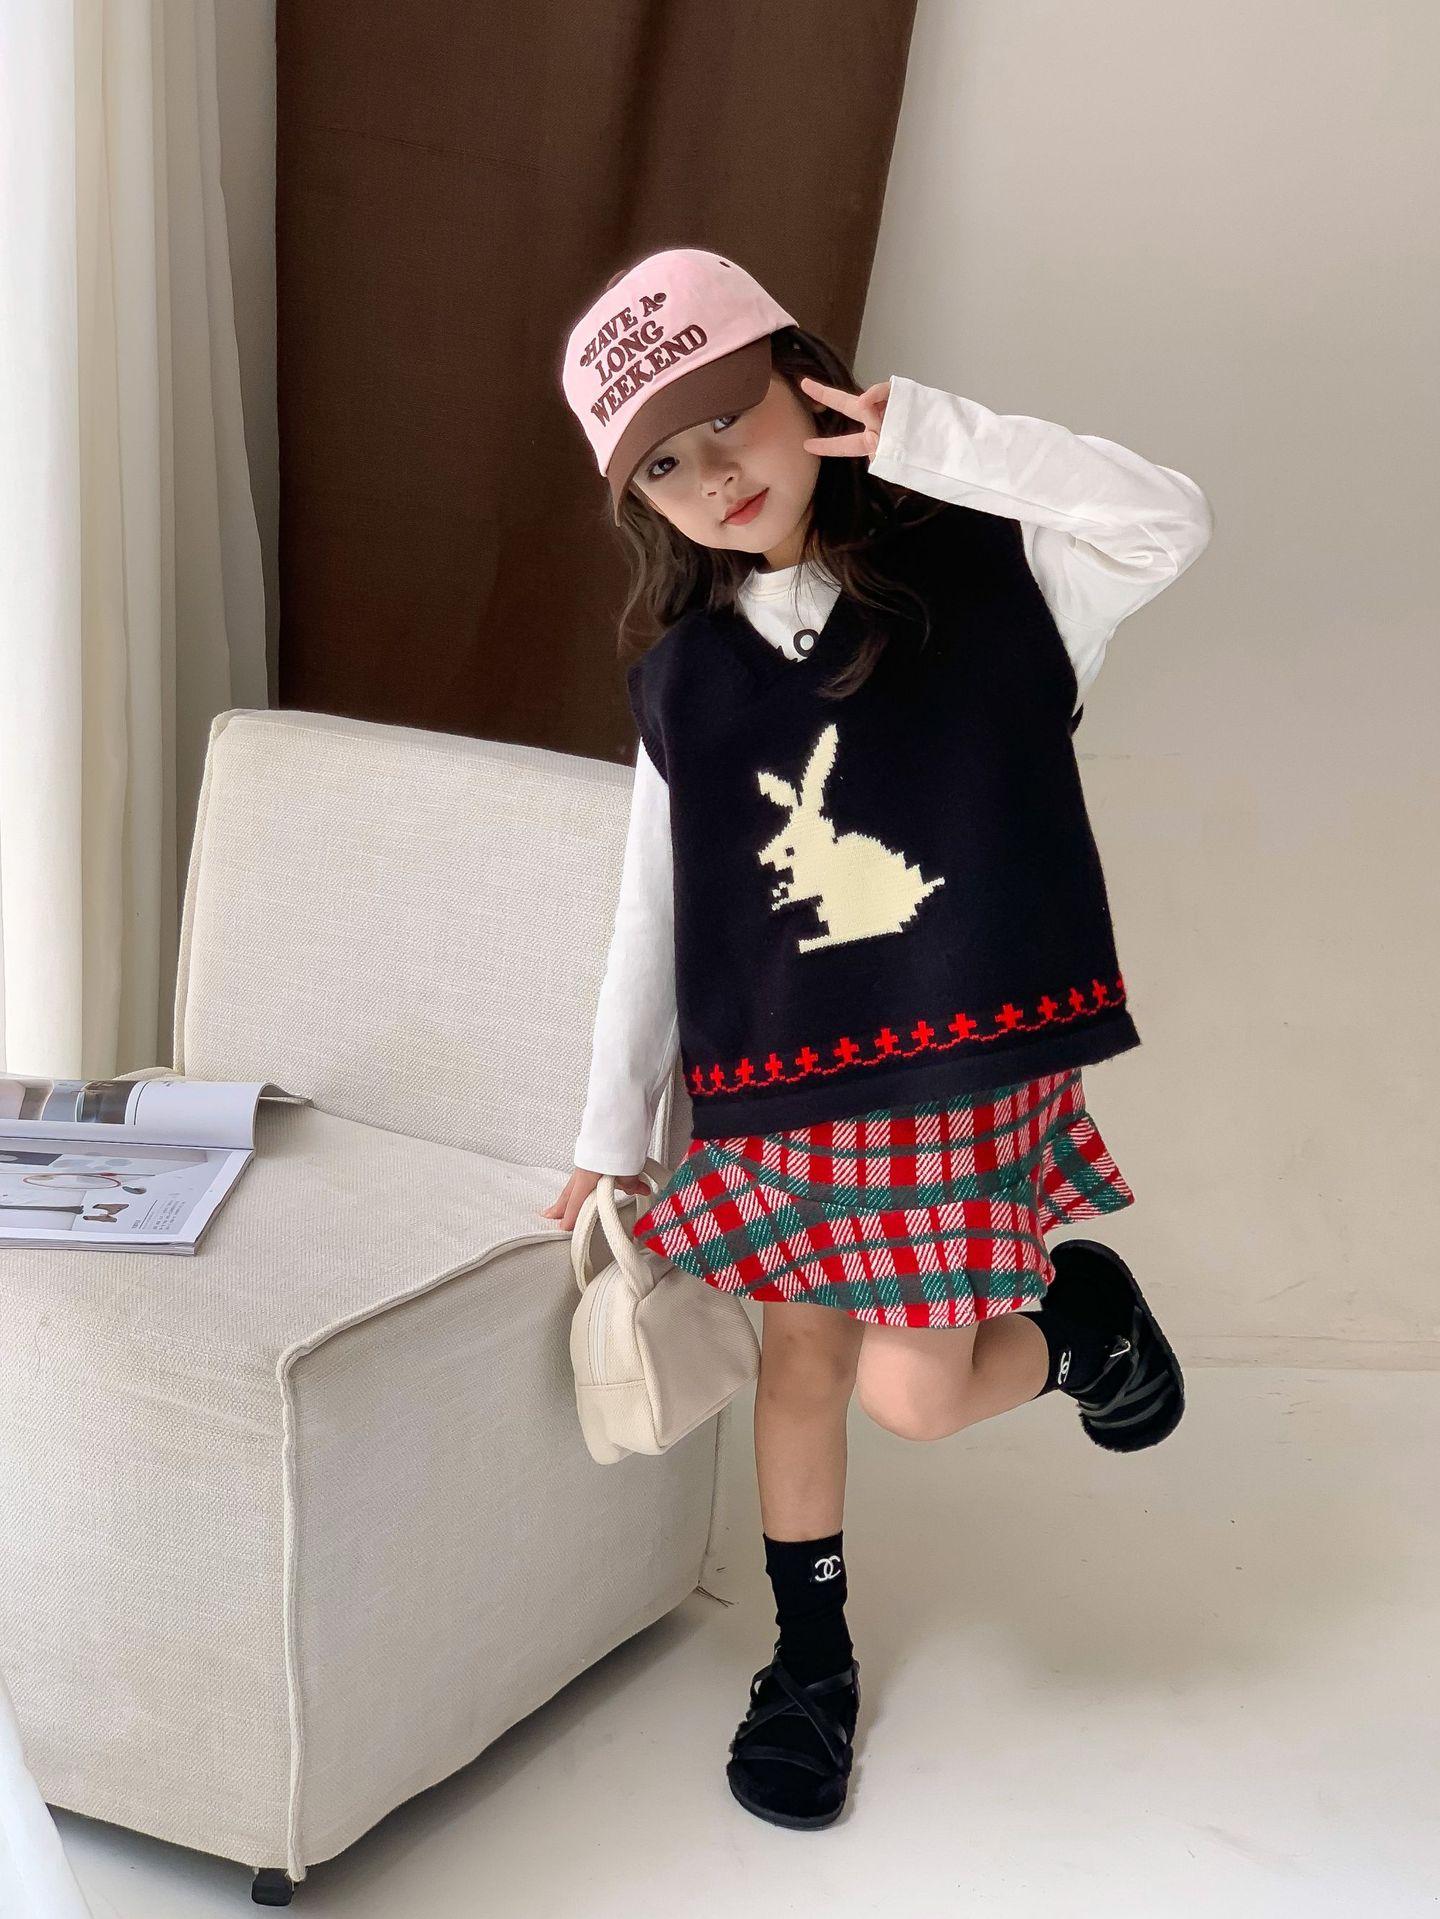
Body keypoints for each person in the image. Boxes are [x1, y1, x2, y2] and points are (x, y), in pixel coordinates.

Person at [545, 246, 1213, 1831]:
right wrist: (607, 1138)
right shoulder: (682, 686)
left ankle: (1083, 1328)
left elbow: (1167, 519)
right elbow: (655, 916)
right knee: (802, 1368)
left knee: (917, 1393)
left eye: (730, 420)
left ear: (806, 380)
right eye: (664, 466)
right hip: (782, 1086)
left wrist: (927, 437)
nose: (715, 477)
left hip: (951, 1068)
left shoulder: (997, 573)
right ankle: (810, 1660)